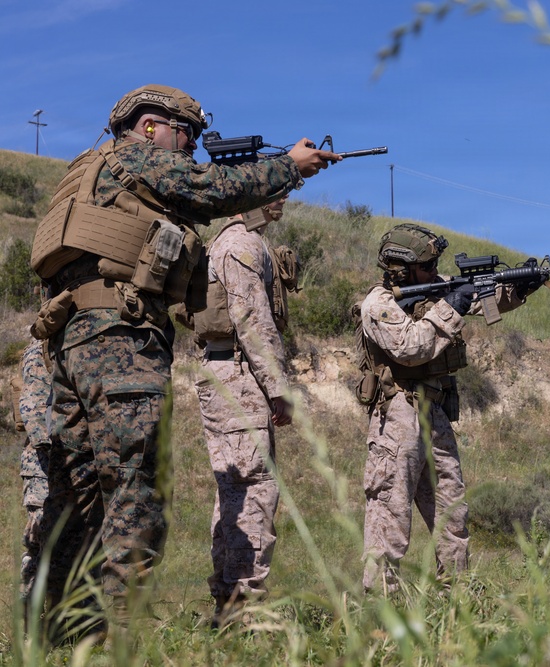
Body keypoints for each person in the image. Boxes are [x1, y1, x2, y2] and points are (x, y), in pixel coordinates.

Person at [28, 84, 338, 631]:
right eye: (187, 134)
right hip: (120, 342)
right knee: (134, 493)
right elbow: (210, 189)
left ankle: (55, 635)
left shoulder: (85, 170)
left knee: (76, 500)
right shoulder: (137, 157)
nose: (192, 147)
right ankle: (118, 640)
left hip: (70, 343)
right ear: (151, 125)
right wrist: (288, 166)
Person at [354, 223, 541, 593]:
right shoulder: (377, 305)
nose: (434, 270)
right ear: (401, 269)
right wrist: (451, 305)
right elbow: (410, 347)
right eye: (427, 265)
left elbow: (480, 300)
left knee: (452, 513)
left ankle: (457, 601)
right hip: (398, 415)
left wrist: (518, 289)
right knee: (390, 516)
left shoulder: (435, 287)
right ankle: (378, 608)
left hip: (435, 411)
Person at [187, 196, 297, 629]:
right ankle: (241, 612)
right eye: (275, 186)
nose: (283, 197)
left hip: (230, 369)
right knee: (252, 491)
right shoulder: (242, 244)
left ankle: (229, 605)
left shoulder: (232, 241)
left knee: (235, 491)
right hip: (238, 373)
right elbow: (251, 319)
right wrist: (278, 386)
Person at [15, 337, 51, 623]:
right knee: (39, 542)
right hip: (44, 462)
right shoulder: (41, 348)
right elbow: (33, 407)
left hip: (68, 461)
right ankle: (30, 624)